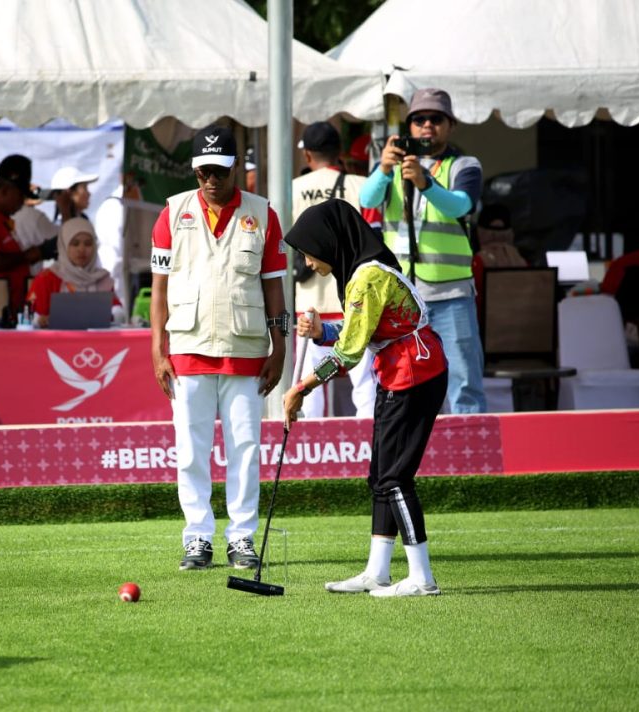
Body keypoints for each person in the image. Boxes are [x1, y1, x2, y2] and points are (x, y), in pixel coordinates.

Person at [282, 200, 447, 597]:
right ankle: (378, 572)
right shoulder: (362, 272)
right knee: (380, 478)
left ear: (329, 241)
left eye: (308, 250)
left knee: (394, 479)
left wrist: (300, 388)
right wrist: (323, 330)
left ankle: (422, 579)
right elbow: (361, 329)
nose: (306, 260)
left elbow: (349, 353)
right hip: (400, 373)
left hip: (413, 375)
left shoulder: (366, 277)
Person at [150, 124, 288, 571]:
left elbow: (274, 288)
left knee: (245, 447)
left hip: (246, 349)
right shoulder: (170, 213)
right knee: (190, 449)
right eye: (203, 171)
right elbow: (158, 288)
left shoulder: (263, 214)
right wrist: (157, 348)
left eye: (220, 171)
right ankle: (197, 538)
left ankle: (242, 538)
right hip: (188, 347)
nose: (211, 180)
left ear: (237, 169)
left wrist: (280, 345)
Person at [360, 88, 487, 414]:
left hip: (451, 293)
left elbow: (461, 204)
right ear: (409, 127)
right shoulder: (391, 164)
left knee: (464, 383)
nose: (427, 125)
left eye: (435, 118)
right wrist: (384, 170)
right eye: (419, 119)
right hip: (403, 297)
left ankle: (471, 455)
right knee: (403, 381)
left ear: (451, 125)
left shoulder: (463, 164)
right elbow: (368, 200)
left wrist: (426, 183)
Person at [291, 121, 372, 419]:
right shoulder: (361, 186)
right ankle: (368, 442)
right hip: (355, 299)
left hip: (309, 304)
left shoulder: (292, 190)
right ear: (339, 153)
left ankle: (313, 446)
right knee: (364, 382)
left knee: (311, 383)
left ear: (308, 156)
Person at [0, 155, 55, 316]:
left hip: (14, 307)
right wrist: (31, 254)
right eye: (20, 196)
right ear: (4, 191)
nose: (22, 202)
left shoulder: (4, 220)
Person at [25, 217, 126, 327]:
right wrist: (40, 320)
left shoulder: (102, 278)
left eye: (88, 244)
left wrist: (113, 315)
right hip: (55, 342)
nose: (82, 249)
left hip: (96, 342)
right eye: (75, 244)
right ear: (63, 246)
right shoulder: (47, 278)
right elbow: (29, 315)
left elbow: (118, 311)